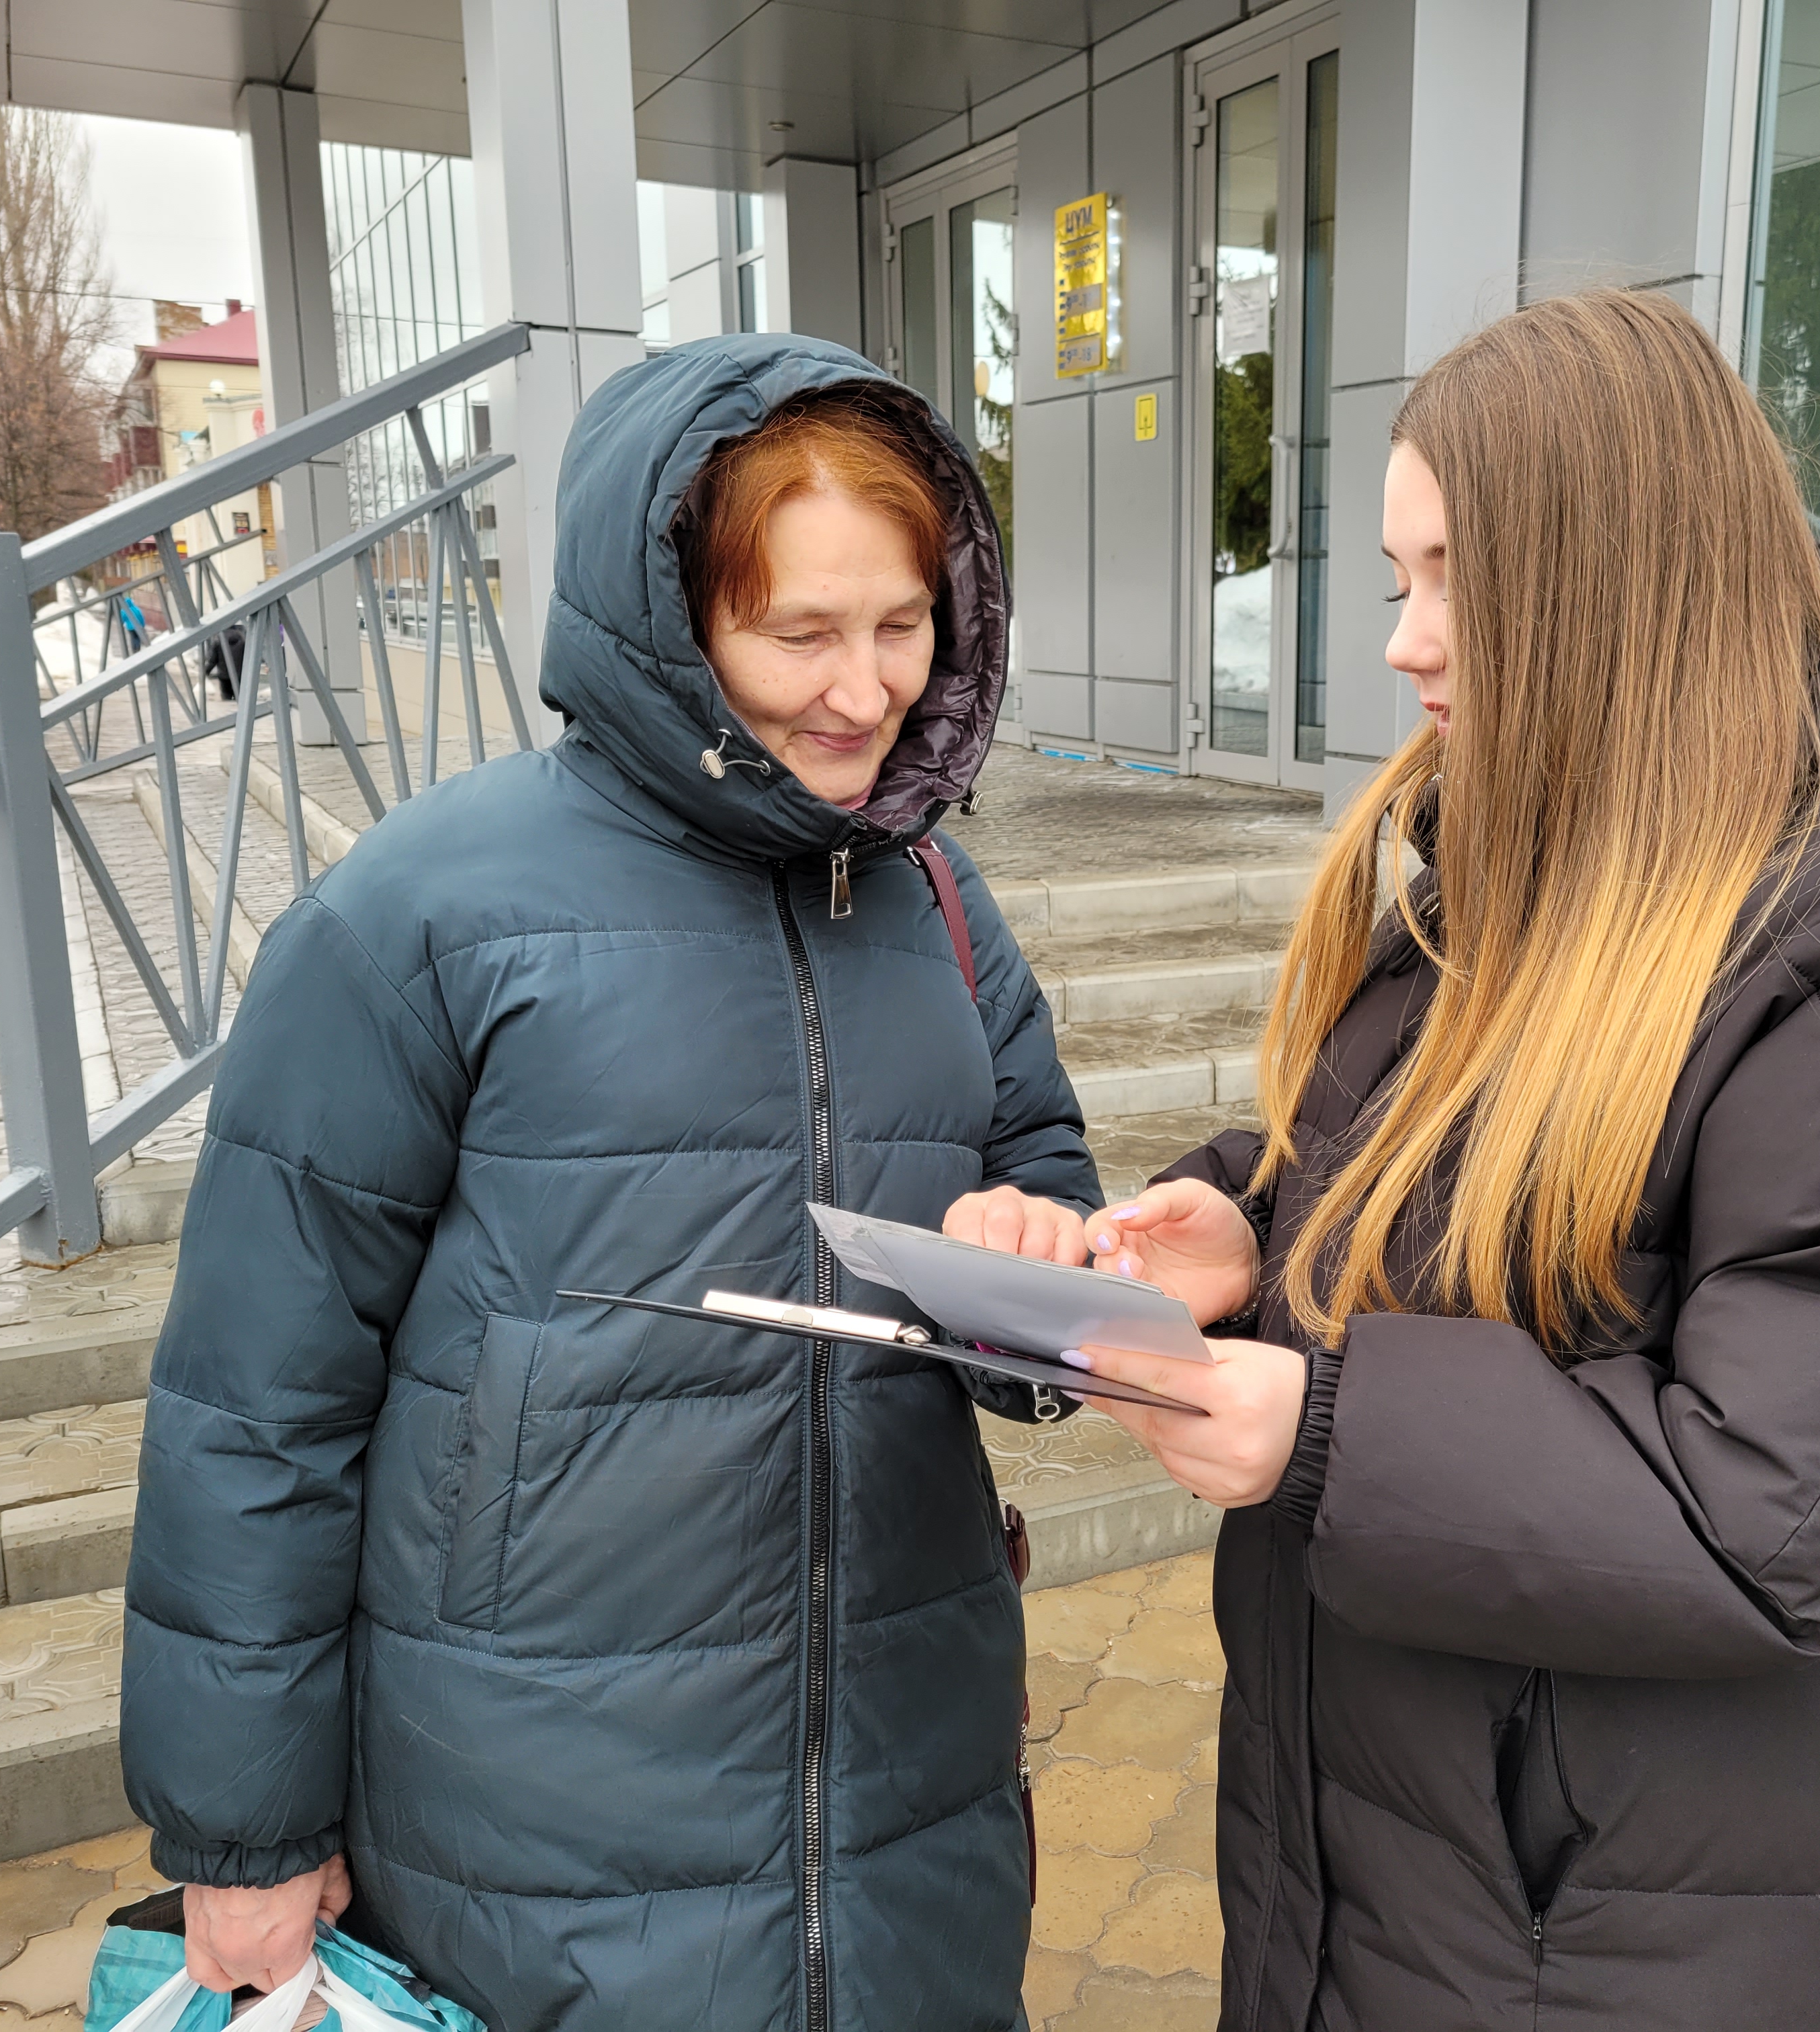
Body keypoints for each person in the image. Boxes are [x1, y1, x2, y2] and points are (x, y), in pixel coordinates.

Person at [1055, 290, 1820, 2030]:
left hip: (1675, 1937)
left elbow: (1784, 1503)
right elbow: (1505, 1201)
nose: (1406, 644)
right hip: (1449, 1893)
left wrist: (1323, 1421)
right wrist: (1258, 1234)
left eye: (1447, 579)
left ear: (1607, 576)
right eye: (1397, 580)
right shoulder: (1528, 883)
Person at [118, 334, 1095, 2032]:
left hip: (911, 1802)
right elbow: (254, 1406)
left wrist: (1045, 1264)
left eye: (901, 626)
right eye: (798, 632)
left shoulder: (940, 902)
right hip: (538, 1829)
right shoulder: (415, 917)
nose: (863, 692)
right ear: (668, 618)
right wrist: (246, 1827)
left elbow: (1045, 1182)